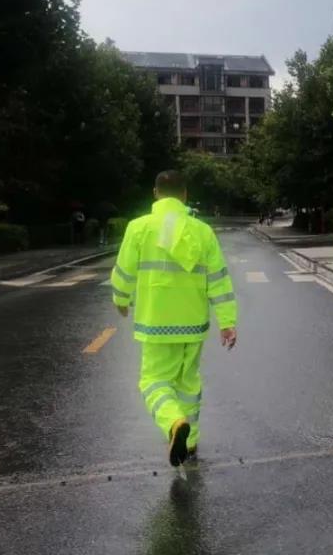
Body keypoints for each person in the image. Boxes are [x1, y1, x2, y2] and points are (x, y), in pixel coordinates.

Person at [111, 170, 238, 467]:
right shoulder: (202, 231)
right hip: (193, 324)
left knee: (153, 381)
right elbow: (219, 280)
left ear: (156, 193)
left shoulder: (138, 228)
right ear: (184, 195)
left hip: (156, 324)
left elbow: (124, 272)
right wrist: (227, 321)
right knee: (188, 384)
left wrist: (121, 300)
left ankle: (173, 422)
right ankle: (190, 442)